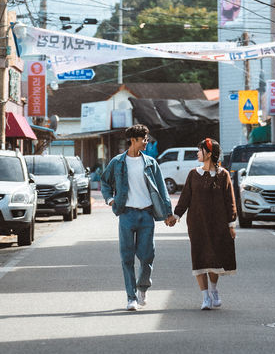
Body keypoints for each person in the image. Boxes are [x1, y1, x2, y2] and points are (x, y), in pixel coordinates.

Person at [100, 124, 175, 312]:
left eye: (147, 139)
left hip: (146, 214)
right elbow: (105, 182)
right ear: (133, 140)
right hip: (126, 214)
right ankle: (131, 297)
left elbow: (162, 189)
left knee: (147, 255)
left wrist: (168, 213)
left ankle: (143, 287)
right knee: (127, 258)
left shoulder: (150, 163)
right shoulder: (117, 162)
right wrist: (110, 200)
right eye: (144, 139)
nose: (146, 143)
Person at [167, 137, 236, 310]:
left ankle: (213, 290)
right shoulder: (193, 174)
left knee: (213, 258)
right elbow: (185, 198)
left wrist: (231, 224)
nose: (197, 153)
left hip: (218, 224)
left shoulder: (223, 175)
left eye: (200, 150)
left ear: (209, 153)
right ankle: (205, 297)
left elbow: (230, 201)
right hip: (197, 223)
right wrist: (176, 216)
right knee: (199, 257)